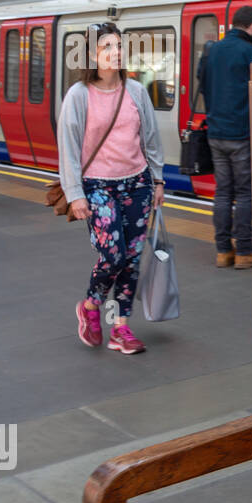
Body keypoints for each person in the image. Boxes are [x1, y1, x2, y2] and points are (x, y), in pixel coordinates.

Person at [58, 23, 165, 355]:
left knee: (132, 259)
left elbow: (150, 139)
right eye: (107, 47)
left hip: (137, 183)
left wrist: (158, 180)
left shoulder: (135, 91)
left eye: (119, 46)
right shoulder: (79, 95)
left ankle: (120, 327)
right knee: (113, 255)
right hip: (98, 187)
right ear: (92, 54)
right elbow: (69, 148)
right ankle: (91, 306)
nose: (116, 52)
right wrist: (75, 194)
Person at [203, 5, 252, 269]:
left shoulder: (211, 50)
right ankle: (243, 251)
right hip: (242, 133)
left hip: (216, 133)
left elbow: (203, 82)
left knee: (222, 192)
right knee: (243, 193)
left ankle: (223, 251)